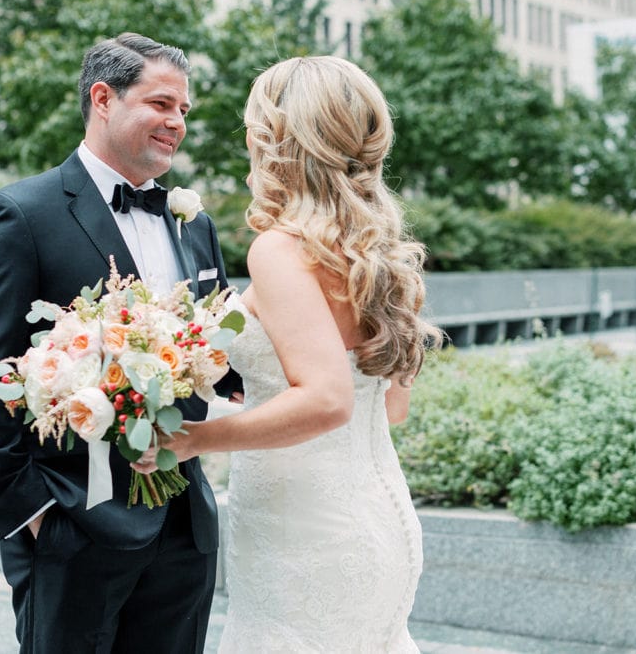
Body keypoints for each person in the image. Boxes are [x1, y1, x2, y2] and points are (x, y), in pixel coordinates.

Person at [0, 33, 240, 653]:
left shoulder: (195, 222)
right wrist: (35, 515)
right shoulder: (21, 215)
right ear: (103, 98)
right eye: (161, 104)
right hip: (72, 528)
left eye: (184, 110)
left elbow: (219, 357)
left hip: (185, 529)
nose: (177, 123)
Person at [133, 55, 443, 652]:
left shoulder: (281, 250)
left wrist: (195, 440)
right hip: (372, 514)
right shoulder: (379, 255)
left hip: (304, 535)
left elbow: (328, 400)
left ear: (274, 139)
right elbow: (389, 407)